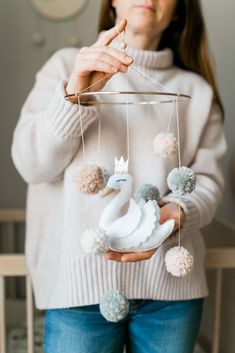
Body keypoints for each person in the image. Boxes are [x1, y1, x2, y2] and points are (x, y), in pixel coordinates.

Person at [11, 1, 227, 352]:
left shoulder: (196, 92)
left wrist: (175, 214)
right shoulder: (66, 67)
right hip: (79, 295)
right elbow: (31, 164)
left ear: (180, 10)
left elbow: (208, 182)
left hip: (170, 293)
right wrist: (74, 97)